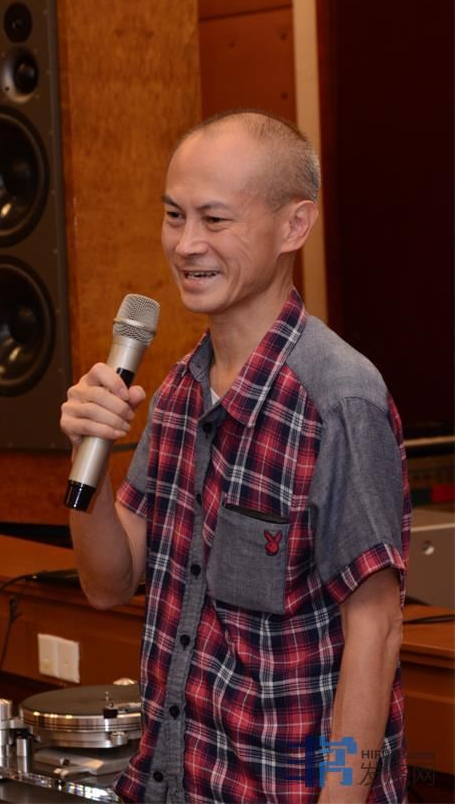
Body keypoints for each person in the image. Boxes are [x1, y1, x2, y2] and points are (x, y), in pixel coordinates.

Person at [60, 110, 410, 804]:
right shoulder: (177, 391)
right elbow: (108, 583)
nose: (186, 244)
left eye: (215, 220)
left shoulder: (339, 399)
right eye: (174, 215)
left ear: (294, 225)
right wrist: (86, 459)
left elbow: (376, 634)